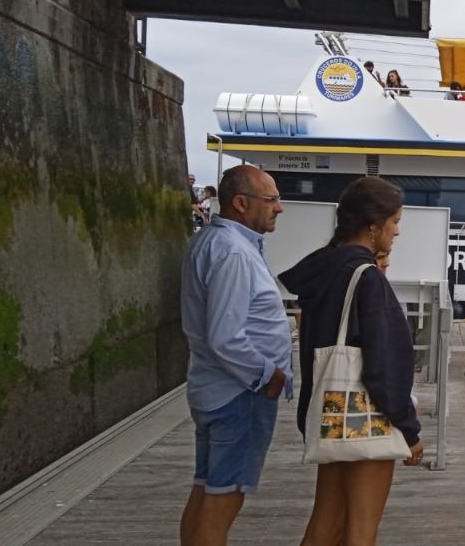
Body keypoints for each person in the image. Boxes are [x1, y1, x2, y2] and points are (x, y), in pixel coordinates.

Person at [278, 177, 424, 546]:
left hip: (329, 411)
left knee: (325, 523)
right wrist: (408, 427)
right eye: (395, 222)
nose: (397, 232)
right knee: (361, 530)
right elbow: (383, 365)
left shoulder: (324, 270)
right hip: (366, 417)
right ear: (374, 225)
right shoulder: (367, 279)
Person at [179, 165, 290, 546]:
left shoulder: (211, 241)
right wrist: (269, 375)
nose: (280, 208)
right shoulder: (234, 253)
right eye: (271, 199)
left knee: (206, 487)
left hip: (214, 388)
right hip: (239, 394)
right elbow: (225, 335)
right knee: (225, 496)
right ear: (241, 203)